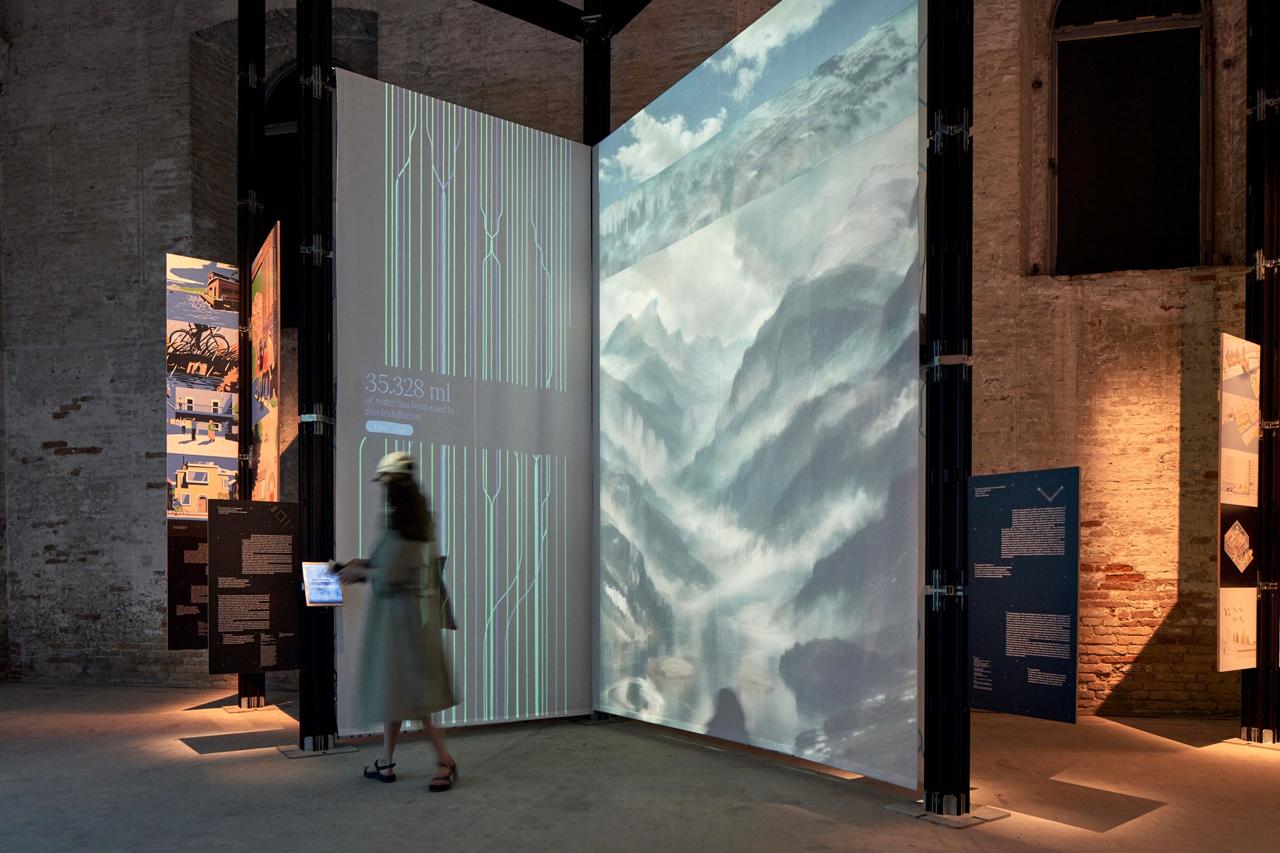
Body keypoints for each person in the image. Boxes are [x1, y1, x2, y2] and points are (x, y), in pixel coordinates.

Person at [338, 451, 458, 791]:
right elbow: (392, 566)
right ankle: (386, 761)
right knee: (398, 692)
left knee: (415, 698)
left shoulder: (406, 529)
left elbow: (391, 574)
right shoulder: (416, 524)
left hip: (403, 626)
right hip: (405, 623)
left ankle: (445, 762)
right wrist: (364, 565)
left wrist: (358, 571)